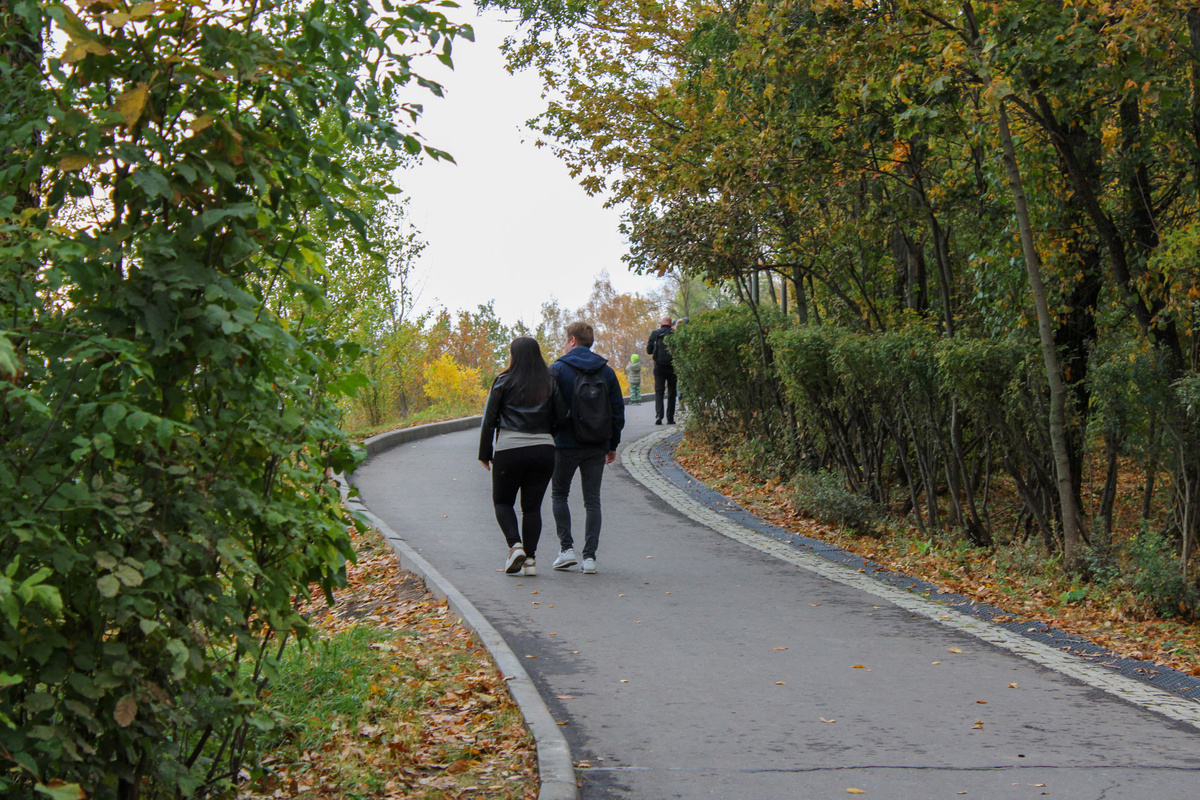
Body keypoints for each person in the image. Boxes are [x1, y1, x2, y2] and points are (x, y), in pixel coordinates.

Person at [479, 337, 567, 577]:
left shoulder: (503, 381)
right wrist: (546, 435)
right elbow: (562, 416)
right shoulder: (551, 380)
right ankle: (530, 560)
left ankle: (514, 545)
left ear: (513, 355)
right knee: (532, 508)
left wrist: (485, 452)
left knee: (503, 502)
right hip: (543, 450)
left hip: (510, 449)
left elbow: (489, 419)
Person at [549, 322, 625, 574]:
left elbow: (548, 408)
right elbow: (617, 412)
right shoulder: (606, 372)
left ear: (572, 340)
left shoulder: (558, 369)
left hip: (565, 444)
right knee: (592, 500)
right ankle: (590, 558)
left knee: (560, 494)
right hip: (596, 444)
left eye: (564, 339)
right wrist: (612, 444)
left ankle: (566, 549)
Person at [646, 315, 677, 425]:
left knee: (659, 392)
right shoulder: (674, 334)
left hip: (658, 367)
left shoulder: (655, 334)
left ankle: (659, 416)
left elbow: (649, 351)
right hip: (672, 367)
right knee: (672, 392)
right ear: (670, 324)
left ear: (661, 323)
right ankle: (670, 418)